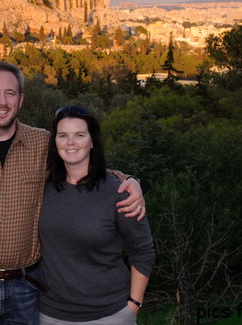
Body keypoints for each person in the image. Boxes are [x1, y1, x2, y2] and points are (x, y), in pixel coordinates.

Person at [0, 61, 145, 324]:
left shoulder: (42, 145)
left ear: (21, 100)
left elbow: (81, 160)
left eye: (10, 93)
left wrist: (128, 180)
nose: (2, 101)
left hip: (27, 287)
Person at [38, 106, 155, 325]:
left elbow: (143, 250)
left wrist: (134, 305)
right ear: (55, 142)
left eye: (79, 135)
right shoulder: (42, 188)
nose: (70, 142)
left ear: (92, 141)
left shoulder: (119, 193)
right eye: (63, 135)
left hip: (109, 314)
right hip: (49, 314)